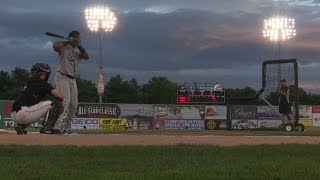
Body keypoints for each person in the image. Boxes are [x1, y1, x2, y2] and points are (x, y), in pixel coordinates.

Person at [53, 30, 89, 134]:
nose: (79, 40)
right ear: (71, 38)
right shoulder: (64, 47)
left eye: (79, 39)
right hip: (62, 76)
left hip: (73, 79)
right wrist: (68, 42)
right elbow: (55, 46)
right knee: (65, 101)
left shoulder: (78, 49)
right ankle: (56, 126)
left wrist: (78, 44)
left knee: (74, 105)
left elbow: (87, 56)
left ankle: (67, 128)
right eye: (77, 38)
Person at [11, 63, 64, 135]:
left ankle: (22, 126)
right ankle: (47, 128)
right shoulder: (42, 83)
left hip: (14, 114)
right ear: (42, 73)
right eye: (46, 73)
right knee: (56, 103)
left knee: (36, 107)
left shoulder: (29, 81)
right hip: (23, 113)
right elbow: (60, 96)